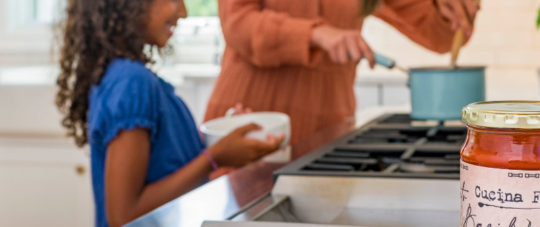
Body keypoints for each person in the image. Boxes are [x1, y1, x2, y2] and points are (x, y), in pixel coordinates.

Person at [56, 0, 285, 227]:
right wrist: (213, 158)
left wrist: (222, 142)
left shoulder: (125, 76)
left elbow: (164, 160)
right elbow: (123, 217)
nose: (183, 13)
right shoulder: (132, 82)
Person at [204, 0, 480, 143]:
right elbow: (236, 22)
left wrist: (451, 10)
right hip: (247, 118)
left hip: (327, 130)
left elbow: (440, 36)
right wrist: (316, 34)